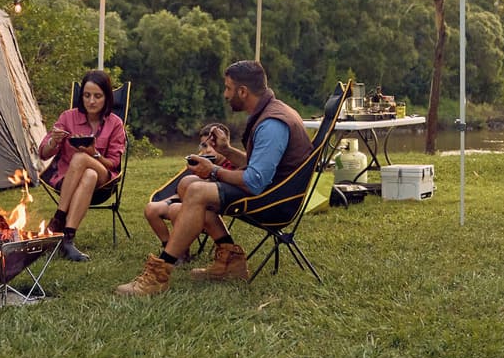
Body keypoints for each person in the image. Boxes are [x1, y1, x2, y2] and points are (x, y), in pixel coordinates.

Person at [116, 60, 311, 296]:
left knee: (198, 191)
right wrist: (226, 151)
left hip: (275, 202)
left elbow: (254, 180)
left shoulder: (271, 123)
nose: (225, 94)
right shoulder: (273, 111)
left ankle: (159, 274)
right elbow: (258, 164)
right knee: (188, 184)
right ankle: (230, 258)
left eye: (228, 88)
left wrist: (213, 171)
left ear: (243, 91)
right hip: (272, 190)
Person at [37, 69, 126, 262]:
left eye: (97, 96)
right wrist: (54, 141)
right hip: (68, 178)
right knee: (88, 175)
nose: (91, 101)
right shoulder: (68, 117)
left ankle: (58, 220)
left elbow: (114, 163)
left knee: (81, 159)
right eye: (87, 95)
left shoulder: (115, 123)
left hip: (104, 180)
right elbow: (43, 154)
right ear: (81, 96)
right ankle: (68, 239)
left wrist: (93, 153)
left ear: (107, 97)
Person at [143, 122, 235, 264]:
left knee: (175, 209)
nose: (208, 151)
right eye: (204, 146)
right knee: (151, 209)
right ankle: (169, 248)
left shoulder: (232, 165)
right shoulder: (203, 163)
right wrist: (167, 200)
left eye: (213, 146)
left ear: (225, 143)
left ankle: (178, 253)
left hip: (208, 210)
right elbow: (184, 190)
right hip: (188, 200)